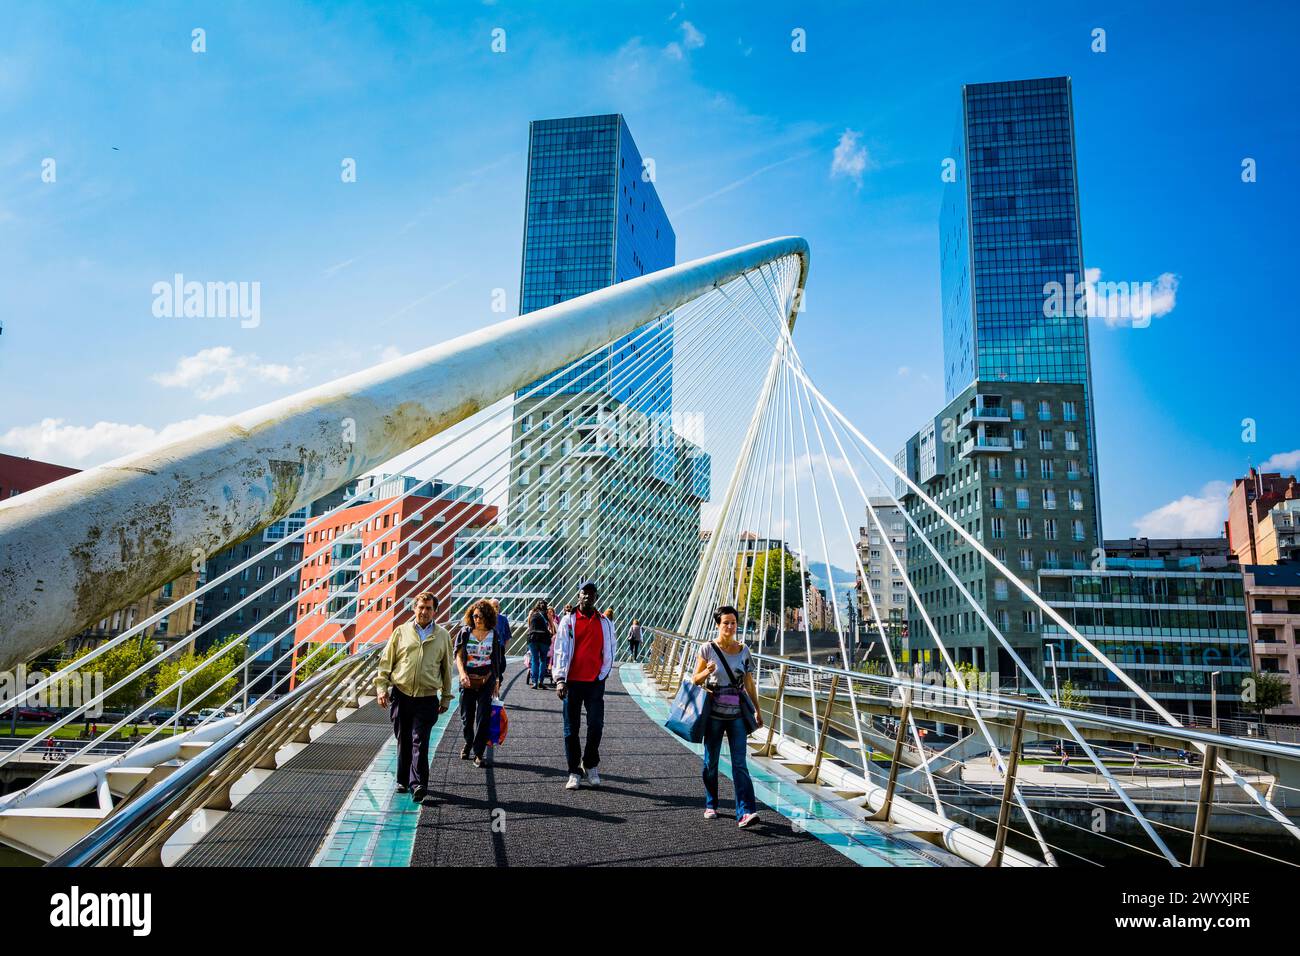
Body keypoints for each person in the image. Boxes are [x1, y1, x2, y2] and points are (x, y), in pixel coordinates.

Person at [375, 592, 453, 804]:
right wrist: (381, 688)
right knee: (404, 739)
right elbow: (386, 662)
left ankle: (419, 784)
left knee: (420, 740)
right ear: (414, 608)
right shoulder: (401, 632)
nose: (424, 612)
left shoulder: (443, 635)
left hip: (427, 697)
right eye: (421, 607)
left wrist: (446, 697)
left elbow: (447, 668)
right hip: (401, 694)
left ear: (435, 611)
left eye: (429, 608)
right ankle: (402, 780)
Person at [690, 604, 762, 828]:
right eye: (725, 623)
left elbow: (749, 682)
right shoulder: (707, 649)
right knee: (711, 763)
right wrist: (707, 671)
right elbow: (695, 680)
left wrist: (758, 709)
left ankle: (746, 812)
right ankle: (711, 803)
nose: (730, 627)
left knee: (739, 764)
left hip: (737, 715)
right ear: (718, 625)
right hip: (714, 715)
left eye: (733, 623)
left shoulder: (744, 651)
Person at [553, 582, 615, 790]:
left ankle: (590, 763)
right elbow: (560, 649)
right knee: (571, 730)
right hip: (571, 683)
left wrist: (603, 675)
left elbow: (610, 649)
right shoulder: (568, 621)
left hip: (595, 683)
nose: (587, 597)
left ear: (596, 597)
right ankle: (574, 771)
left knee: (596, 726)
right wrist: (560, 679)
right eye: (584, 594)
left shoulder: (605, 622)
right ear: (578, 596)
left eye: (591, 594)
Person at [455, 599, 506, 767]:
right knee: (466, 717)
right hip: (468, 679)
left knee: (483, 717)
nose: (477, 619)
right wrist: (462, 674)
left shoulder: (494, 634)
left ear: (488, 617)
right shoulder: (465, 632)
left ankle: (478, 753)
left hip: (487, 679)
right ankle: (468, 742)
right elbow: (458, 655)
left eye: (481, 616)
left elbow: (496, 660)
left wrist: (497, 680)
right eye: (475, 616)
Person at [527, 599, 552, 690]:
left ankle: (534, 682)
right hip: (544, 638)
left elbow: (529, 626)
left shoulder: (531, 612)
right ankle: (541, 682)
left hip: (532, 637)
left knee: (534, 659)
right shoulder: (548, 613)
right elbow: (552, 628)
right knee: (543, 660)